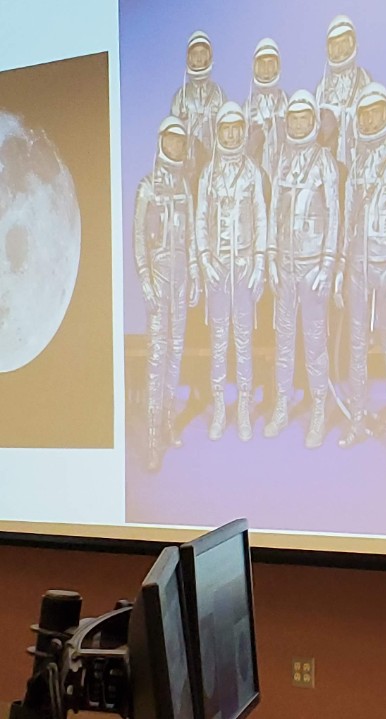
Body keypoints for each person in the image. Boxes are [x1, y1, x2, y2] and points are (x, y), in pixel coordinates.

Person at [336, 82, 386, 468]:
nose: (370, 119)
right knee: (355, 348)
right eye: (364, 114)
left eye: (376, 112)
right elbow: (348, 219)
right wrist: (340, 268)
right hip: (357, 267)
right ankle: (356, 419)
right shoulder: (357, 164)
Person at [264, 90, 340, 448]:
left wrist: (327, 265)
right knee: (283, 343)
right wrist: (271, 260)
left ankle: (320, 411)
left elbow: (336, 218)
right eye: (292, 120)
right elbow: (273, 212)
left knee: (314, 344)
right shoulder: (281, 161)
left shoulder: (324, 161)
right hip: (286, 267)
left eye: (304, 119)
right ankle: (281, 405)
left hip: (312, 269)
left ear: (313, 121)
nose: (298, 125)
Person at [196, 102, 267, 442]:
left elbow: (262, 219)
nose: (232, 134)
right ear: (218, 132)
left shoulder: (252, 173)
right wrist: (205, 258)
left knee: (244, 342)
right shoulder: (208, 173)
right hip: (218, 269)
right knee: (219, 342)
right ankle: (220, 409)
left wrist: (260, 263)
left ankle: (243, 410)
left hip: (243, 268)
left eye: (237, 128)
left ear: (243, 131)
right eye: (226, 129)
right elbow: (199, 218)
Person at [133, 116, 200, 471]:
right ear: (161, 142)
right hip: (159, 282)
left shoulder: (184, 188)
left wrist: (193, 277)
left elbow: (188, 236)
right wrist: (145, 278)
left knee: (176, 355)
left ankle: (170, 420)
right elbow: (139, 238)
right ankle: (153, 437)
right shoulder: (148, 187)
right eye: (171, 140)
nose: (176, 147)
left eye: (181, 142)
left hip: (179, 281)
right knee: (157, 360)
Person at [315, 14, 373, 169]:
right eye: (335, 45)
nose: (340, 50)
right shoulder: (322, 87)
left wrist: (345, 117)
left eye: (344, 44)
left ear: (354, 43)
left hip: (359, 156)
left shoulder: (364, 78)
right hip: (331, 159)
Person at [170, 31, 226, 180]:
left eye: (203, 53)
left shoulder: (218, 94)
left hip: (214, 166)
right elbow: (172, 136)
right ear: (189, 58)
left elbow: (226, 129)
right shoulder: (181, 97)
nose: (199, 58)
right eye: (195, 54)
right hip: (187, 167)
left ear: (209, 56)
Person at [245, 38, 287, 189]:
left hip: (283, 180)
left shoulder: (287, 104)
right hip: (256, 184)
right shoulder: (246, 109)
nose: (266, 70)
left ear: (278, 67)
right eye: (262, 65)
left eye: (271, 64)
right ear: (254, 67)